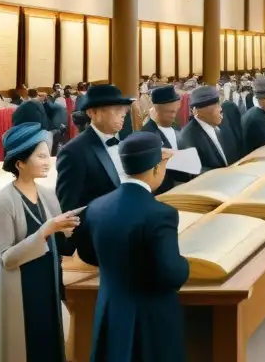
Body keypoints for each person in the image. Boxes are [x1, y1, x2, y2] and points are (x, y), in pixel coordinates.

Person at [77, 133, 189, 362]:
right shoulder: (161, 214)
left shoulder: (96, 206)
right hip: (150, 318)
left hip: (109, 308)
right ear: (156, 169)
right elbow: (171, 273)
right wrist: (186, 263)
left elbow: (88, 254)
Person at [0, 123, 79, 362]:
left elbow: (59, 240)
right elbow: (7, 258)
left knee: (47, 333)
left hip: (47, 276)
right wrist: (46, 230)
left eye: (47, 154)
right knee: (24, 341)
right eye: (40, 156)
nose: (46, 161)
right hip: (18, 282)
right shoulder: (2, 201)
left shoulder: (48, 194)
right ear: (20, 164)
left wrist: (68, 228)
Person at [55, 84, 133, 222]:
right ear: (93, 113)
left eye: (123, 111)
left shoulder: (126, 142)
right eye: (116, 111)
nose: (123, 116)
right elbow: (69, 210)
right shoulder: (73, 152)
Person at [141, 85, 188, 194]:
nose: (174, 115)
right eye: (169, 112)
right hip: (163, 191)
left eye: (175, 111)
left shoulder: (176, 127)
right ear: (157, 110)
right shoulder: (147, 134)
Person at [178, 86, 237, 171]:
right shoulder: (188, 137)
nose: (220, 109)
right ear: (198, 112)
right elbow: (196, 172)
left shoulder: (219, 126)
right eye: (216, 106)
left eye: (219, 105)